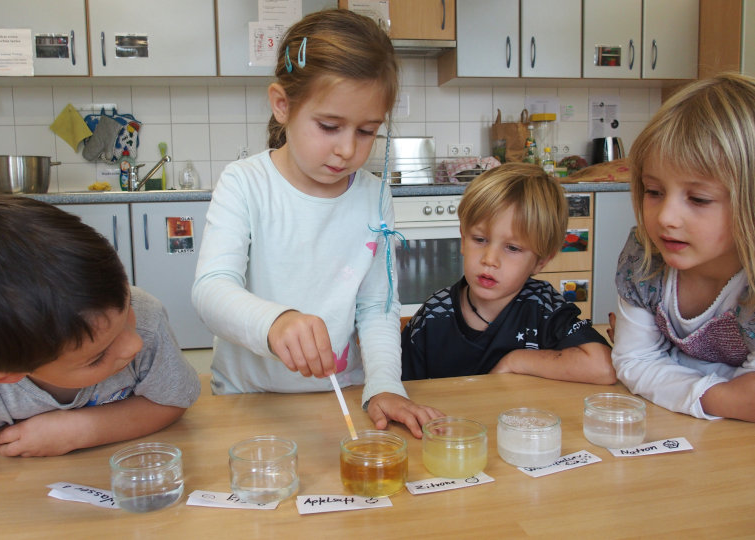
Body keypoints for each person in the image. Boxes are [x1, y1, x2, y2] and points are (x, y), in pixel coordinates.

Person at [192, 9, 442, 438]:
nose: (347, 149)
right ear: (282, 105)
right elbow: (211, 290)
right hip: (248, 402)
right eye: (329, 126)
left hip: (341, 397)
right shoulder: (246, 183)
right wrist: (275, 323)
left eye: (367, 132)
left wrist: (383, 385)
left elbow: (377, 307)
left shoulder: (373, 193)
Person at [0, 191, 201, 457]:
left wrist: (81, 430)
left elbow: (174, 400)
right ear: (8, 374)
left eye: (127, 309)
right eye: (98, 356)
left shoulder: (147, 317)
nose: (133, 344)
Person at [611, 72, 755, 422]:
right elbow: (632, 362)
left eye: (699, 198)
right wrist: (723, 393)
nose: (666, 218)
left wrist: (672, 367)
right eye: (654, 191)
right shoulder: (644, 258)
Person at [401, 163, 615, 383]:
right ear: (463, 240)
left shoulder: (543, 307)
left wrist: (515, 361)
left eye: (512, 248)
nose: (489, 260)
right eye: (480, 239)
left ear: (540, 262)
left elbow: (603, 367)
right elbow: (401, 390)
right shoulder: (433, 315)